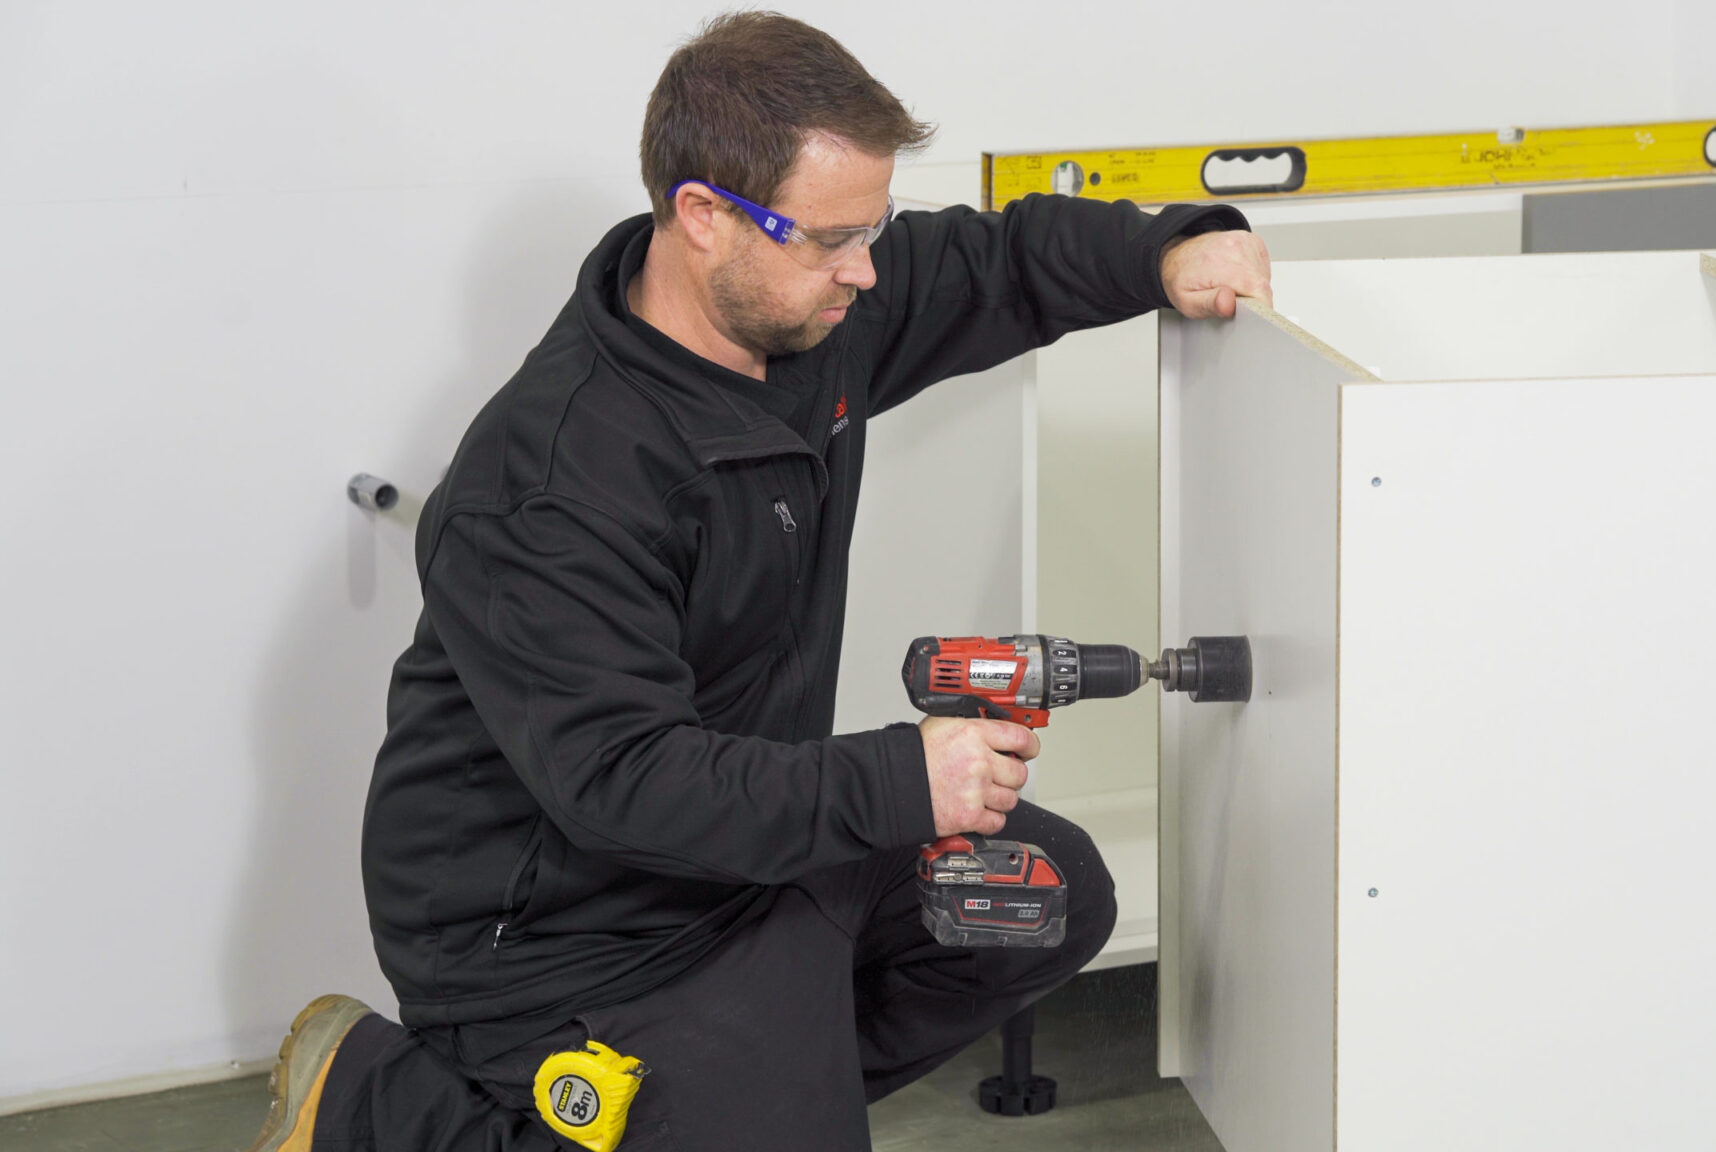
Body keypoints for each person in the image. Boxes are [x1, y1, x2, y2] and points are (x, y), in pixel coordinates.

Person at [247, 11, 1269, 1151]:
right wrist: (897, 779)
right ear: (702, 217)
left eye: (869, 230)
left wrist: (1170, 247)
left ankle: (736, 1099)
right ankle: (378, 1108)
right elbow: (624, 782)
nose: (864, 270)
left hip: (742, 848)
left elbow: (995, 263)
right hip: (557, 928)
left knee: (1039, 898)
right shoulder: (553, 484)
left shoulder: (807, 314)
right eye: (832, 240)